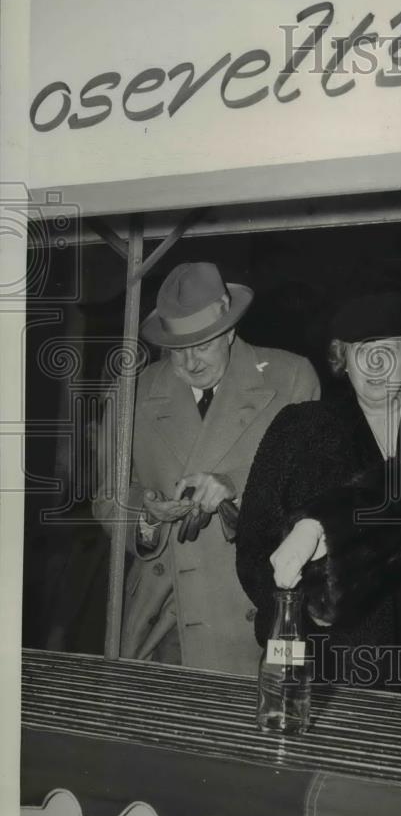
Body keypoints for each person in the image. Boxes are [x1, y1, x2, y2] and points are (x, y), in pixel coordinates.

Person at [235, 293, 401, 694]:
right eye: (361, 350)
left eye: (386, 349)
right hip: (329, 670)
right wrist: (302, 611)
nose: (372, 365)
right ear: (343, 358)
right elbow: (253, 542)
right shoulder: (299, 430)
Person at [92, 261, 320, 673]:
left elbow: (313, 494)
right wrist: (147, 514)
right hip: (163, 620)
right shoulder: (133, 392)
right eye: (178, 349)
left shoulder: (291, 378)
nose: (190, 361)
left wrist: (234, 486)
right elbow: (108, 498)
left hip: (258, 609)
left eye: (203, 344)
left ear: (230, 329)